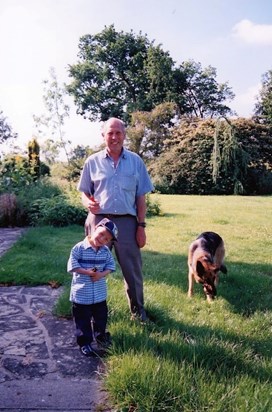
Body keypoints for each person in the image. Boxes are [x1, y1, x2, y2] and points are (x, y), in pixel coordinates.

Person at [77, 117, 154, 322]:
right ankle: (89, 312)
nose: (114, 137)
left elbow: (141, 196)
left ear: (124, 135)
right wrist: (87, 203)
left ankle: (138, 312)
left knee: (132, 269)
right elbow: (84, 192)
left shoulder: (136, 162)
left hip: (127, 223)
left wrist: (141, 225)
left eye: (118, 133)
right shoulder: (92, 161)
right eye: (110, 133)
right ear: (103, 136)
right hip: (98, 221)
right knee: (91, 266)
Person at [67, 218, 118, 357]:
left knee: (101, 318)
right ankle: (85, 343)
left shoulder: (105, 252)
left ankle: (101, 338)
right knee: (82, 321)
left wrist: (101, 274)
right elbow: (72, 266)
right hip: (82, 294)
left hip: (99, 295)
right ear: (95, 229)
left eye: (106, 239)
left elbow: (111, 266)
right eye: (101, 234)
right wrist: (87, 272)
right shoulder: (79, 248)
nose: (102, 239)